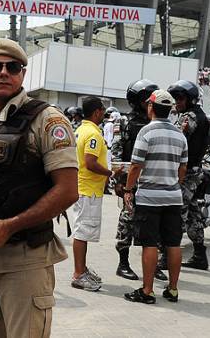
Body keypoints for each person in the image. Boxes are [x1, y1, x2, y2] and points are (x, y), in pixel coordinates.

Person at [0, 38, 78, 338]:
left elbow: (68, 190)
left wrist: (12, 225)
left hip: (25, 260)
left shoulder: (47, 120)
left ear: (23, 73)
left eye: (13, 67)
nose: (3, 73)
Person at [123, 90, 187, 304]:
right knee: (173, 243)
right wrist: (173, 182)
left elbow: (135, 166)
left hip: (149, 197)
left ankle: (147, 291)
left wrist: (128, 190)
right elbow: (183, 168)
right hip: (173, 197)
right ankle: (173, 289)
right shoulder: (180, 135)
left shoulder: (146, 133)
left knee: (149, 243)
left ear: (151, 107)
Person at [112, 79, 159, 281]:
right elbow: (116, 153)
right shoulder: (123, 122)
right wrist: (120, 182)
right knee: (128, 221)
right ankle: (123, 263)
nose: (150, 104)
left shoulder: (156, 122)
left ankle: (152, 266)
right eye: (147, 100)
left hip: (153, 181)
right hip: (131, 181)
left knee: (153, 224)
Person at [167, 80, 210, 270]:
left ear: (190, 99)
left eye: (180, 98)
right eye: (175, 98)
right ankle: (200, 255)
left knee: (177, 215)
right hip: (194, 171)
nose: (177, 102)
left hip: (186, 173)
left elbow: (177, 141)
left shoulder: (190, 117)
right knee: (194, 215)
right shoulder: (199, 115)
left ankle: (167, 258)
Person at [70, 96, 112, 292]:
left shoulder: (81, 130)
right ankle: (78, 273)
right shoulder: (93, 134)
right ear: (96, 112)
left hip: (82, 187)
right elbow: (90, 162)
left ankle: (82, 269)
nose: (104, 113)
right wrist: (110, 172)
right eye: (103, 110)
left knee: (82, 232)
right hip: (88, 190)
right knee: (82, 233)